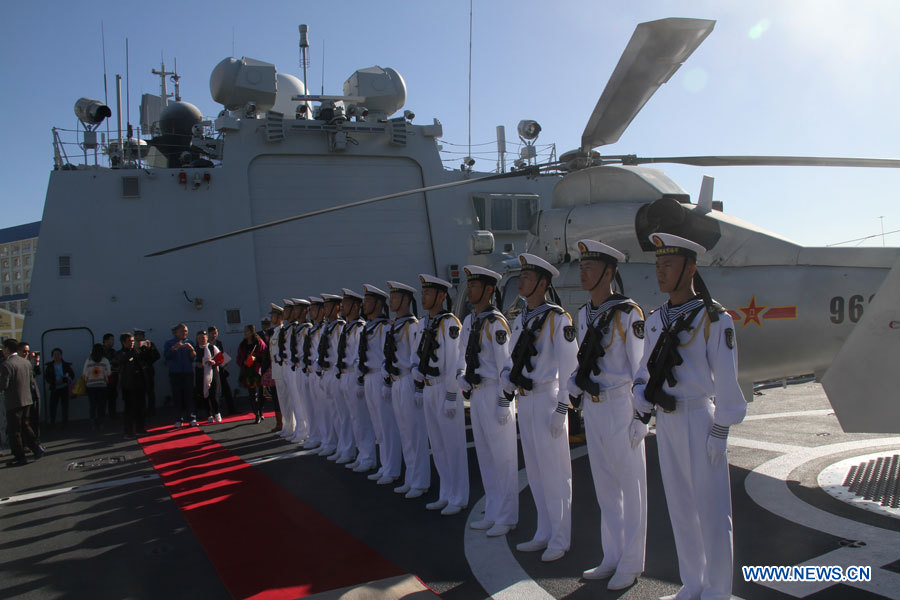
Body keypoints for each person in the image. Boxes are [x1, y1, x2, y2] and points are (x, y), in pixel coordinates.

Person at [631, 233, 747, 600]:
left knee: (712, 511)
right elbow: (644, 374)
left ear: (690, 269)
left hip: (700, 418)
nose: (660, 272)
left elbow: (727, 378)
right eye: (658, 266)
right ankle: (693, 582)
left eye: (668, 265)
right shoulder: (655, 320)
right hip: (666, 421)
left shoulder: (714, 319)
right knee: (680, 507)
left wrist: (721, 428)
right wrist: (640, 413)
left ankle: (717, 589)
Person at [567, 240, 647, 590]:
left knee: (631, 488)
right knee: (605, 488)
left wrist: (642, 417)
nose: (582, 272)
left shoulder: (628, 314)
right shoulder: (585, 314)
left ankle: (632, 562)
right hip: (594, 408)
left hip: (619, 404)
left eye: (590, 266)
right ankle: (611, 555)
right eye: (581, 265)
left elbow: (641, 368)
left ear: (609, 272)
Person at [501, 253, 578, 563]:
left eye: (528, 278)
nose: (522, 281)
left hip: (547, 399)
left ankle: (561, 537)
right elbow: (510, 358)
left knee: (556, 473)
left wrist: (562, 408)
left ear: (543, 283)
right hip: (526, 400)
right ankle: (544, 530)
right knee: (534, 470)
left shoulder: (558, 319)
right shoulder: (523, 318)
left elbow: (571, 368)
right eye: (521, 277)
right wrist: (507, 380)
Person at [456, 265, 517, 536]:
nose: (469, 290)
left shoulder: (496, 323)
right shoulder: (470, 321)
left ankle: (506, 516)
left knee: (503, 458)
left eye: (474, 285)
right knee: (486, 457)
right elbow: (462, 355)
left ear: (489, 290)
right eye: (468, 285)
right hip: (477, 393)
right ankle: (492, 511)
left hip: (495, 393)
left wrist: (505, 401)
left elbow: (507, 366)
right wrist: (461, 375)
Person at [412, 274, 468, 515]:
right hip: (428, 388)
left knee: (453, 446)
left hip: (444, 390)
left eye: (428, 292)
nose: (423, 296)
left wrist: (451, 396)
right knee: (437, 445)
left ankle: (459, 496)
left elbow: (455, 363)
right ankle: (446, 492)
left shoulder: (450, 323)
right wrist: (416, 377)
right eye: (422, 292)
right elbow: (417, 354)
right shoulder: (423, 324)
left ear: (441, 296)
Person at [383, 280, 429, 499]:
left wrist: (419, 388)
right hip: (396, 382)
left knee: (415, 434)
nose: (391, 300)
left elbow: (416, 357)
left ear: (406, 300)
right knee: (404, 433)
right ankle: (411, 477)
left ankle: (420, 481)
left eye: (395, 296)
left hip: (409, 381)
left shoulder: (412, 325)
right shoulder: (395, 324)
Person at [357, 284, 402, 485]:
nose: (364, 304)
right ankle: (385, 465)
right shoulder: (369, 326)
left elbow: (388, 355)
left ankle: (392, 468)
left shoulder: (384, 327)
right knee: (378, 425)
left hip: (380, 378)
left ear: (377, 304)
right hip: (369, 377)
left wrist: (387, 382)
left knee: (387, 425)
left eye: (368, 301)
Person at [337, 288, 376, 472]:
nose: (341, 307)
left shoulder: (359, 327)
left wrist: (359, 379)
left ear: (354, 306)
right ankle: (361, 454)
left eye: (345, 304)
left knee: (362, 419)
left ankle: (368, 456)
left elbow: (359, 354)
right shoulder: (348, 326)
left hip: (355, 375)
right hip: (346, 374)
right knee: (352, 418)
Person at [315, 293, 349, 460]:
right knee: (334, 413)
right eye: (324, 307)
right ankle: (340, 446)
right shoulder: (327, 327)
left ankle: (348, 449)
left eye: (328, 306)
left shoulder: (340, 326)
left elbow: (340, 351)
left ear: (336, 308)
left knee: (343, 415)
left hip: (336, 373)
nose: (325, 309)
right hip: (326, 373)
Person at [1, 338, 44, 466]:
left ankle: (20, 457)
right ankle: (37, 448)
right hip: (27, 399)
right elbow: (31, 381)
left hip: (14, 401)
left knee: (14, 431)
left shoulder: (7, 365)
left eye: (3, 348)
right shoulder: (25, 363)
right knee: (26, 426)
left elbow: (3, 385)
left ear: (8, 349)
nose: (2, 350)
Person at [117, 332, 153, 436]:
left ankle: (140, 428)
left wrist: (148, 349)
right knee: (129, 409)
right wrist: (135, 350)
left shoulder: (137, 352)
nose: (132, 343)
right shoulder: (120, 353)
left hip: (140, 384)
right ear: (123, 342)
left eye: (133, 341)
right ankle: (128, 431)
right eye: (129, 341)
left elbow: (149, 359)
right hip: (128, 385)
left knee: (141, 408)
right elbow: (123, 360)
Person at [286, 298, 312, 443]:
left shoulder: (307, 328)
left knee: (308, 404)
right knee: (299, 401)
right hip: (297, 368)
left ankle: (307, 432)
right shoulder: (297, 328)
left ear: (304, 311)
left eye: (297, 309)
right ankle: (304, 431)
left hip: (306, 369)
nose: (294, 312)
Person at [301, 297, 326, 449]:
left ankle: (332, 441)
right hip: (312, 372)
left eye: (315, 309)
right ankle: (321, 438)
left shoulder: (326, 328)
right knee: (316, 409)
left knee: (329, 411)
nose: (311, 313)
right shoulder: (313, 329)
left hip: (323, 372)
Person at [164, 323, 198, 428]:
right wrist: (174, 348)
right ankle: (178, 419)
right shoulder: (169, 343)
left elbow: (193, 358)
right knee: (177, 396)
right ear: (176, 332)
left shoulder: (189, 342)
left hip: (188, 373)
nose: (185, 333)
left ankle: (192, 417)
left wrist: (192, 349)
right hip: (175, 374)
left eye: (186, 331)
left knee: (189, 396)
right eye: (183, 331)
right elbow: (167, 356)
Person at [236, 323, 267, 424]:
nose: (244, 333)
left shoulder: (259, 343)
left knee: (262, 393)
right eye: (244, 331)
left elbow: (265, 355)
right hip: (248, 371)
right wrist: (243, 362)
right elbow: (239, 358)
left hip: (258, 370)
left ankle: (260, 410)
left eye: (247, 331)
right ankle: (256, 414)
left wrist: (256, 358)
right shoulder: (242, 344)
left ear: (252, 332)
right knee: (252, 394)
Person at [193, 330, 222, 424]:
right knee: (204, 395)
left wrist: (213, 362)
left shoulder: (213, 347)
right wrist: (197, 364)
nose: (202, 339)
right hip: (201, 375)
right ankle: (209, 414)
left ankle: (217, 413)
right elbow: (191, 362)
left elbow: (222, 359)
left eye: (203, 337)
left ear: (206, 338)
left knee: (214, 394)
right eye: (200, 338)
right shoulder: (195, 349)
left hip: (213, 374)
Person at [268, 302, 289, 433]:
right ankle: (285, 426)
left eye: (274, 315)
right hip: (276, 370)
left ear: (280, 317)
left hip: (283, 370)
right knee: (281, 400)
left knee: (287, 400)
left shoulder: (282, 331)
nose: (271, 318)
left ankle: (290, 426)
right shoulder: (274, 332)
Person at [208, 326, 236, 415]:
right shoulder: (206, 344)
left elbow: (221, 355)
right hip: (211, 370)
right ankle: (212, 412)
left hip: (221, 369)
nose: (214, 335)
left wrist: (224, 361)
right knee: (212, 391)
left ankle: (232, 409)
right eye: (212, 333)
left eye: (215, 333)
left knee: (226, 389)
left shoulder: (219, 343)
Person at [44, 347, 75, 428]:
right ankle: (52, 422)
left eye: (58, 354)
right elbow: (47, 377)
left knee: (65, 405)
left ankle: (65, 422)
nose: (56, 356)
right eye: (54, 355)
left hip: (64, 387)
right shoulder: (50, 366)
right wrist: (54, 382)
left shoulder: (66, 365)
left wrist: (64, 380)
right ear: (52, 356)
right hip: (54, 388)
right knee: (53, 405)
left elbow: (72, 375)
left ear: (61, 355)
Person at [83, 343, 111, 430]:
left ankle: (93, 423)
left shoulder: (88, 360)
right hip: (102, 385)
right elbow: (108, 373)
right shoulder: (105, 360)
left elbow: (84, 373)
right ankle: (101, 422)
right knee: (101, 405)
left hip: (90, 386)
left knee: (92, 405)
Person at [17, 342, 42, 439]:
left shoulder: (28, 363)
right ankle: (26, 444)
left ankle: (36, 442)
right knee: (25, 421)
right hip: (23, 396)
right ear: (18, 351)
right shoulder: (17, 364)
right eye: (24, 351)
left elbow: (37, 373)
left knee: (35, 420)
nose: (26, 354)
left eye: (28, 351)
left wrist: (36, 362)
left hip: (34, 394)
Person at [133, 329, 161, 416]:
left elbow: (157, 356)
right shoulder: (133, 346)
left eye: (141, 335)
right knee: (139, 392)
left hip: (147, 371)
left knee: (150, 392)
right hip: (137, 372)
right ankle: (141, 410)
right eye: (137, 335)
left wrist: (148, 349)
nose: (139, 337)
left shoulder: (150, 344)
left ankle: (151, 411)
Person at [102, 332, 119, 419]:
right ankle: (102, 416)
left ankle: (112, 414)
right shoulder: (100, 351)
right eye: (111, 340)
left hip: (113, 378)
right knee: (103, 398)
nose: (113, 342)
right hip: (103, 379)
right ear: (106, 341)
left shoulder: (113, 351)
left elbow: (117, 362)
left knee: (112, 396)